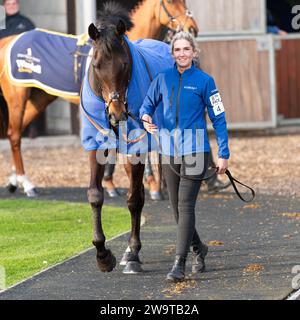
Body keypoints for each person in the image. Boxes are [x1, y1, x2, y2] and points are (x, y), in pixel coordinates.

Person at [140, 31, 230, 282]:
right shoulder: (161, 78)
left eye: (186, 49)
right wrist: (146, 117)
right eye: (177, 50)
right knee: (176, 209)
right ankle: (199, 248)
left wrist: (223, 154)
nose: (182, 53)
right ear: (172, 54)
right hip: (168, 151)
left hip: (195, 151)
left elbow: (219, 118)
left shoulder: (205, 81)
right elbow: (147, 104)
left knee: (185, 205)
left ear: (194, 53)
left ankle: (179, 263)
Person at [0, 0, 38, 138]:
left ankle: (31, 128)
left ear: (18, 5)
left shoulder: (27, 23)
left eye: (14, 3)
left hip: (24, 67)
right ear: (4, 6)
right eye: (8, 4)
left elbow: (35, 44)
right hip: (4, 68)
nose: (11, 6)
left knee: (32, 95)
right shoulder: (1, 22)